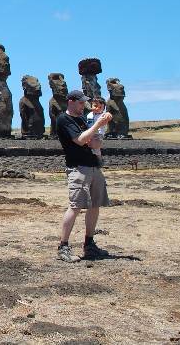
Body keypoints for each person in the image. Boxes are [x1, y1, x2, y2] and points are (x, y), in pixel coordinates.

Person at [56, 90, 113, 263]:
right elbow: (80, 140)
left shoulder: (83, 119)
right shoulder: (64, 120)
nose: (84, 106)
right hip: (78, 168)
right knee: (75, 206)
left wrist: (101, 126)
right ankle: (63, 246)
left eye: (84, 103)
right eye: (81, 103)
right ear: (70, 101)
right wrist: (96, 126)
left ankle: (89, 244)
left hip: (93, 165)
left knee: (95, 204)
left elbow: (94, 142)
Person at [86, 96, 107, 165]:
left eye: (101, 107)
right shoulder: (89, 115)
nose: (98, 108)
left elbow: (107, 117)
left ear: (104, 108)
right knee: (90, 147)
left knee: (96, 148)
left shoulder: (103, 115)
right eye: (95, 106)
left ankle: (99, 160)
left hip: (98, 134)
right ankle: (93, 160)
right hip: (89, 134)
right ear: (91, 105)